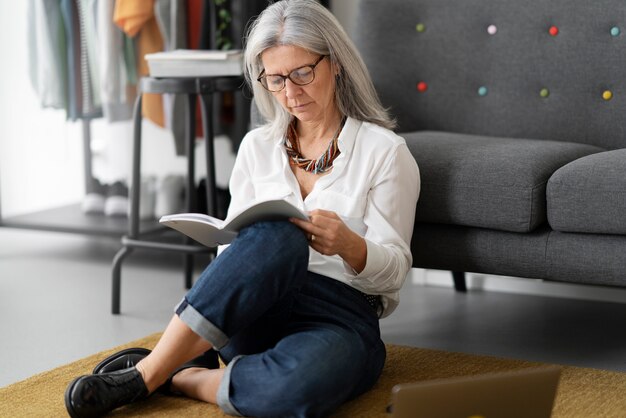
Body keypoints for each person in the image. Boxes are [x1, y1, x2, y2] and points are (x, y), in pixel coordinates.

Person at [64, 1, 420, 417]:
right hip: (256, 308)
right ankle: (146, 373)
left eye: (303, 73)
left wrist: (349, 245)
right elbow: (233, 258)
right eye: (275, 79)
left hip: (339, 316)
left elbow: (395, 272)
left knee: (295, 391)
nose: (291, 92)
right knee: (278, 236)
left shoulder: (385, 152)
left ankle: (180, 376)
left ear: (336, 63)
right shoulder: (257, 147)